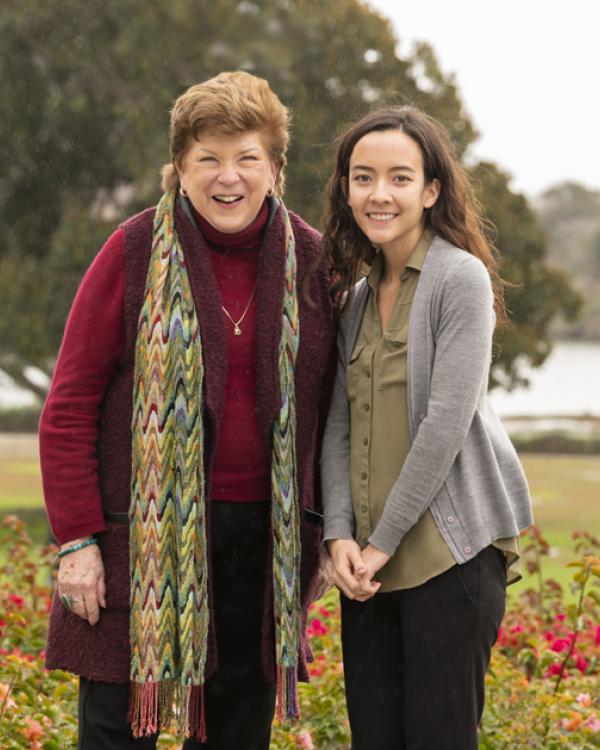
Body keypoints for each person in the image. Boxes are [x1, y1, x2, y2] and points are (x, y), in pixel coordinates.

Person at [39, 71, 335, 750]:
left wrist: (322, 531)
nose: (227, 177)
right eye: (207, 158)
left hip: (261, 547)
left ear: (275, 169)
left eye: (246, 159)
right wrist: (79, 540)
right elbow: (70, 403)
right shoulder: (135, 250)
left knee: (236, 729)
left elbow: (330, 418)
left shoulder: (315, 263)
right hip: (138, 541)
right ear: (179, 168)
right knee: (119, 729)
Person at [319, 106, 533, 750]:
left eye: (399, 178)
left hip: (448, 561)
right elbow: (335, 424)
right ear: (346, 189)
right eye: (363, 177)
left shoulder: (459, 280)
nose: (379, 194)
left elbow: (446, 423)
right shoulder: (355, 298)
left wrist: (378, 543)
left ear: (431, 190)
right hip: (366, 570)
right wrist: (338, 541)